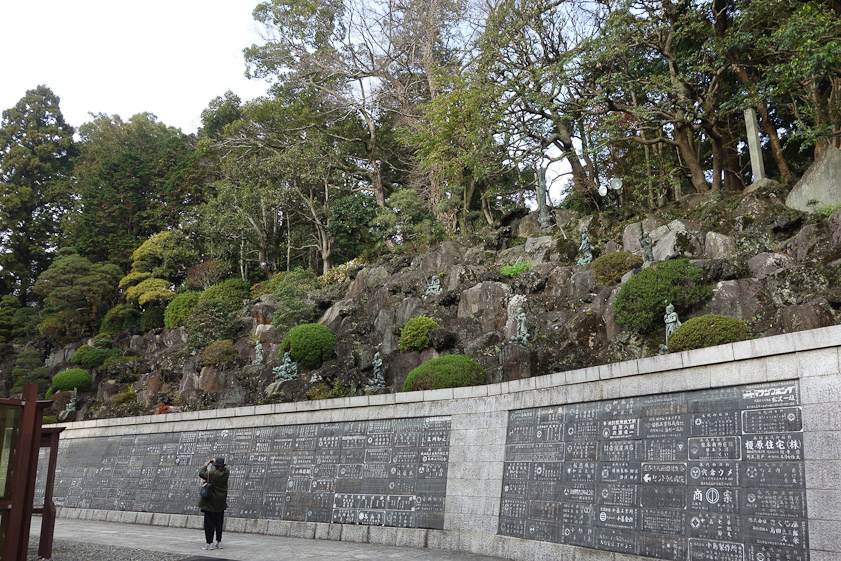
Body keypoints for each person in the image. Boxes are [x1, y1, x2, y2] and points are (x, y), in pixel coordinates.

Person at [198, 457, 229, 550]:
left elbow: (201, 473)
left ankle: (209, 543)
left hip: (210, 503)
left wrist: (206, 465)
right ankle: (218, 542)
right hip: (221, 502)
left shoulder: (213, 474)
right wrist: (217, 462)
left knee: (209, 524)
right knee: (219, 523)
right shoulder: (226, 473)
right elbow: (224, 468)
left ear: (215, 466)